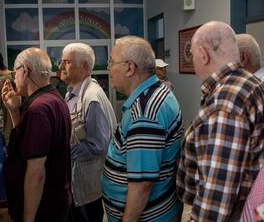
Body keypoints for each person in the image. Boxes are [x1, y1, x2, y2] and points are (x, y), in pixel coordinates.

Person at [176, 21, 264, 222]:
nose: (193, 61)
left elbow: (217, 195)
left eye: (193, 54)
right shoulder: (249, 82)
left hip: (235, 213)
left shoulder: (227, 100)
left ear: (204, 54)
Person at [101, 36, 184, 222]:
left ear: (129, 68)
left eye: (111, 62)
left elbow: (142, 185)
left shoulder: (144, 113)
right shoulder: (158, 90)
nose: (108, 69)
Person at [2, 47, 72, 222]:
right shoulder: (55, 98)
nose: (14, 77)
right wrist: (14, 112)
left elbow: (36, 173)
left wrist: (28, 219)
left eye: (15, 71)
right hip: (56, 201)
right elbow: (29, 142)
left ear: (25, 70)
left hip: (42, 208)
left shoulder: (38, 110)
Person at [59, 43, 117, 222]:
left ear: (84, 66)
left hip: (87, 189)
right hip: (78, 184)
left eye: (67, 62)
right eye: (62, 62)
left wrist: (65, 152)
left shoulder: (91, 98)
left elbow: (99, 146)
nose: (61, 67)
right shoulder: (73, 93)